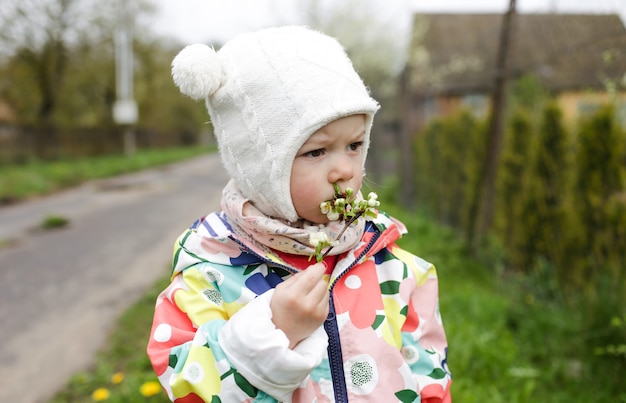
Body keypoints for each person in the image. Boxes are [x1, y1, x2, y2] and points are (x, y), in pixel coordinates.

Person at [147, 25, 451, 402]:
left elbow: (428, 369)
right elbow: (190, 388)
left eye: (354, 145)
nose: (344, 169)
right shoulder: (210, 273)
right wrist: (271, 335)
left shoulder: (395, 267)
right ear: (260, 168)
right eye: (316, 152)